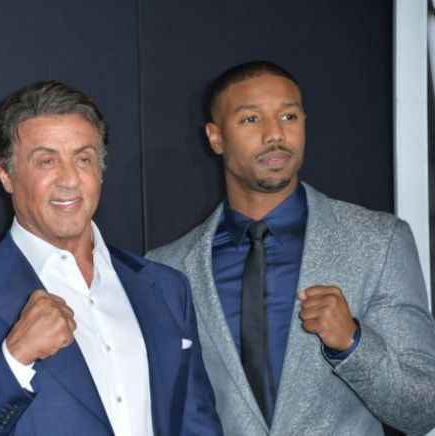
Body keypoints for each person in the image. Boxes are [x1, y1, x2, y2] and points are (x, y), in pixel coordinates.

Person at [0, 80, 222, 435]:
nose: (69, 179)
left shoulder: (166, 287)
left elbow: (197, 424)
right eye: (46, 161)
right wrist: (15, 358)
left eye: (83, 159)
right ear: (5, 174)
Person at [147, 60, 435, 435]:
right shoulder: (168, 270)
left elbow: (422, 409)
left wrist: (352, 344)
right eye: (251, 119)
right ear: (216, 138)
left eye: (289, 116)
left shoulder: (379, 242)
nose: (275, 134)